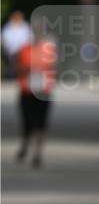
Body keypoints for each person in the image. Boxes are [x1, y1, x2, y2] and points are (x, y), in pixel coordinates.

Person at [15, 21, 57, 167]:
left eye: (39, 31)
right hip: (26, 91)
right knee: (27, 122)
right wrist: (27, 69)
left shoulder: (49, 50)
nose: (36, 34)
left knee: (41, 124)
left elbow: (55, 67)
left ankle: (37, 154)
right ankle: (25, 144)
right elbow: (17, 68)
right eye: (34, 31)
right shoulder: (24, 49)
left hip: (43, 92)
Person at [2, 11, 33, 79]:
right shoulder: (7, 28)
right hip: (11, 52)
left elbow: (31, 38)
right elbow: (4, 41)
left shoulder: (26, 27)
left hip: (24, 51)